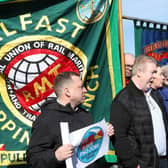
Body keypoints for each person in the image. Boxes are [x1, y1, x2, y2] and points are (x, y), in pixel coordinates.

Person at [26, 71, 114, 168]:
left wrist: (103, 132)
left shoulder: (85, 115)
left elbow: (89, 149)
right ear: (67, 92)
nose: (85, 90)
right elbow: (33, 158)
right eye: (80, 87)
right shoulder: (47, 119)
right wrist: (55, 156)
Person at [110, 55, 168, 168]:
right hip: (142, 164)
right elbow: (119, 137)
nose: (154, 76)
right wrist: (132, 163)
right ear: (139, 72)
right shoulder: (123, 99)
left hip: (162, 161)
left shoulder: (155, 95)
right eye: (152, 72)